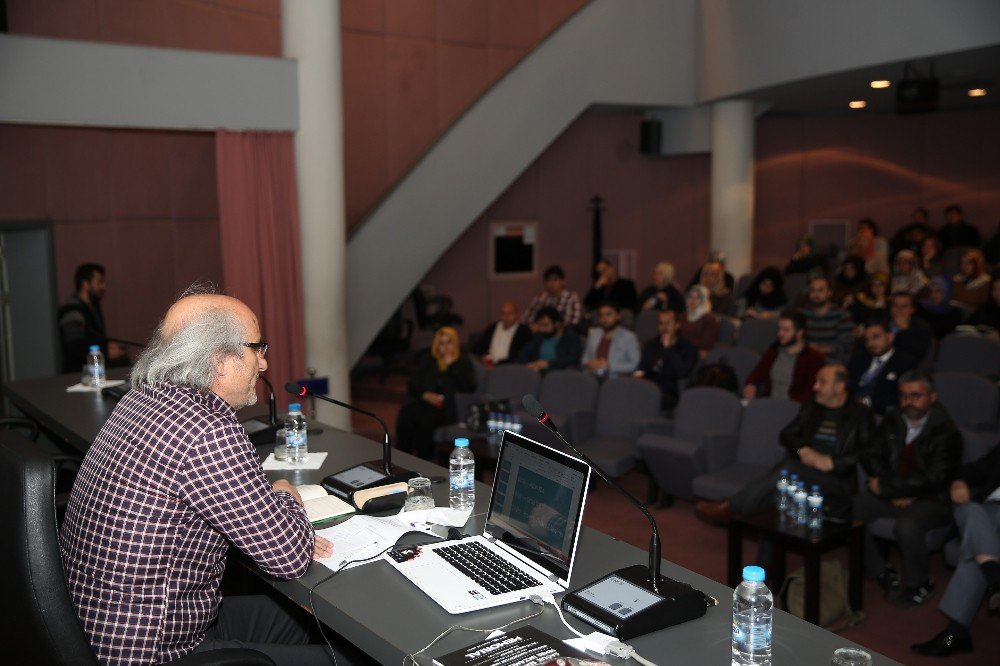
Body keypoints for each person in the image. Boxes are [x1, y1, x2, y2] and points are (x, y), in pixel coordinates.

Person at [59, 287, 338, 665]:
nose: (264, 364)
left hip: (100, 629)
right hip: (152, 649)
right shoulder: (207, 430)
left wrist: (269, 505)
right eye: (257, 348)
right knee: (347, 656)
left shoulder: (143, 397)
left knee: (314, 620)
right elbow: (288, 555)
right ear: (220, 361)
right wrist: (286, 495)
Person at [696, 364, 875, 524]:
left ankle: (733, 506)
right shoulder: (813, 406)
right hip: (805, 470)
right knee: (776, 495)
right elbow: (787, 434)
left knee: (788, 468)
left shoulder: (860, 414)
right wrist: (802, 450)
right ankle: (764, 555)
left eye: (822, 382)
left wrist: (832, 462)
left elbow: (868, 452)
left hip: (836, 479)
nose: (815, 387)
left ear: (839, 387)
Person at [855, 371, 963, 608]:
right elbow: (870, 452)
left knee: (907, 525)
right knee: (853, 508)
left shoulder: (947, 431)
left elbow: (935, 477)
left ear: (932, 397)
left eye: (916, 396)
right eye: (904, 396)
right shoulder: (894, 418)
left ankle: (920, 583)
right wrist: (891, 489)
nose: (909, 402)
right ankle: (879, 569)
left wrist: (888, 487)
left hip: (932, 499)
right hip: (894, 492)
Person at [911, 444, 1000, 657]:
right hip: (987, 511)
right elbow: (971, 469)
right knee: (969, 511)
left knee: (978, 547)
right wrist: (959, 481)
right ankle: (995, 578)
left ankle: (956, 633)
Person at [396, 326, 476, 459]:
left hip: (447, 407)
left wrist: (452, 367)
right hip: (425, 401)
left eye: (449, 342)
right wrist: (425, 395)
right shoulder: (429, 360)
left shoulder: (462, 362)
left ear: (455, 343)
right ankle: (403, 459)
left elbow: (469, 387)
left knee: (425, 421)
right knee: (406, 415)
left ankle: (424, 460)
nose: (445, 347)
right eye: (441, 343)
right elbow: (413, 383)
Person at [743, 308, 826, 404]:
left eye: (786, 330)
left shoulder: (814, 358)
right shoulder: (774, 350)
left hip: (794, 408)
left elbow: (811, 393)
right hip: (768, 402)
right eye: (779, 328)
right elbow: (758, 372)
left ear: (799, 333)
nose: (780, 333)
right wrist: (750, 385)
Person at [57, 262, 127, 373]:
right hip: (77, 375)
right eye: (100, 282)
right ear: (85, 284)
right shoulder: (72, 311)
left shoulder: (93, 307)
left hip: (94, 371)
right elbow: (74, 346)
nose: (104, 287)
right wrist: (105, 350)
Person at [847, 314, 918, 415]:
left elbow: (900, 396)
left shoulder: (905, 362)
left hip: (881, 414)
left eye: (876, 337)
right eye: (867, 340)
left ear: (890, 337)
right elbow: (847, 386)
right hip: (852, 410)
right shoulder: (858, 360)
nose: (871, 343)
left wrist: (868, 402)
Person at [633, 309, 697, 410]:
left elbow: (683, 373)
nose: (664, 327)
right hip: (647, 388)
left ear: (677, 325)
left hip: (668, 393)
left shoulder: (687, 347)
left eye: (668, 323)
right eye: (661, 323)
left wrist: (669, 349)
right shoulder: (650, 345)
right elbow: (641, 369)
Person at [803, 275, 855, 362]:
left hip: (832, 362)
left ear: (829, 293)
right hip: (807, 361)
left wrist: (820, 349)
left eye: (820, 290)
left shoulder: (842, 315)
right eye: (812, 290)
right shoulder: (803, 315)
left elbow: (846, 347)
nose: (816, 294)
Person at [581, 302, 640, 378]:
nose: (604, 319)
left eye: (608, 314)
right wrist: (590, 364)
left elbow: (634, 364)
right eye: (601, 315)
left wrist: (609, 365)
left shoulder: (629, 337)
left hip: (615, 379)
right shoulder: (593, 334)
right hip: (592, 376)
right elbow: (584, 359)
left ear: (617, 316)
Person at [519, 306, 583, 373]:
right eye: (540, 325)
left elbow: (572, 359)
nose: (542, 329)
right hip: (536, 372)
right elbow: (523, 354)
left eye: (545, 325)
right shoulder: (539, 336)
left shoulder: (571, 337)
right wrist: (529, 365)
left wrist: (548, 364)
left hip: (558, 374)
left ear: (557, 324)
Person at [522, 264, 582, 330]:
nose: (551, 283)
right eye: (548, 280)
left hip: (561, 335)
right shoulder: (540, 298)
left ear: (563, 281)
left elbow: (573, 323)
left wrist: (548, 328)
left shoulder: (571, 298)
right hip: (540, 335)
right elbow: (525, 320)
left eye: (555, 280)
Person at [471, 300, 532, 366]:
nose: (506, 317)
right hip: (488, 364)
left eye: (510, 313)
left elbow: (521, 355)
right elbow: (478, 347)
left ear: (517, 315)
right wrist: (483, 356)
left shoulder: (524, 331)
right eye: (503, 313)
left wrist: (498, 364)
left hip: (508, 366)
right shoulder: (492, 327)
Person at [888, 291, 933, 362]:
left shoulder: (922, 330)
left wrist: (904, 330)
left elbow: (914, 356)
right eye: (895, 305)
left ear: (912, 309)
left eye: (904, 306)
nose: (899, 310)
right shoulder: (882, 323)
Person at [679, 285, 719, 356]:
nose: (692, 300)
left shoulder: (709, 319)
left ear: (704, 301)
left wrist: (684, 343)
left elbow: (707, 342)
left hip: (697, 352)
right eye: (690, 297)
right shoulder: (683, 316)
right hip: (681, 348)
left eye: (697, 298)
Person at [966, 271, 1000, 337]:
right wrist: (977, 328)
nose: (997, 293)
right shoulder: (984, 309)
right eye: (994, 289)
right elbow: (965, 326)